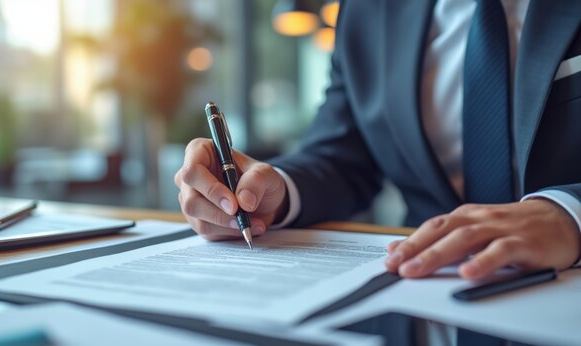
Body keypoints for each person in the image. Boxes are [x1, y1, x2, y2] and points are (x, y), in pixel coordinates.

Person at [175, 0, 581, 281]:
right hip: (419, 286)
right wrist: (272, 192)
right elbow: (340, 154)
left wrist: (570, 216)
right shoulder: (367, 10)